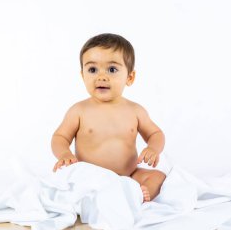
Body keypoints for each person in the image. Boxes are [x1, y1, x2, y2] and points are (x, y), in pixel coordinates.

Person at [51, 33, 166, 202]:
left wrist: (153, 149)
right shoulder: (79, 111)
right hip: (92, 179)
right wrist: (64, 153)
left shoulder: (135, 110)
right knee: (73, 187)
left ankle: (138, 193)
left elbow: (155, 133)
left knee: (157, 177)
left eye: (112, 69)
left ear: (130, 77)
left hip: (129, 176)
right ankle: (113, 198)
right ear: (83, 75)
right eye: (92, 69)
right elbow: (60, 137)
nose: (101, 76)